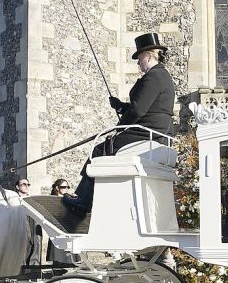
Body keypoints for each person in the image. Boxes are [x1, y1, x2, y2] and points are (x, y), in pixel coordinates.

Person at [63, 32, 176, 214]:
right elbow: (145, 106)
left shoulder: (154, 77)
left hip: (147, 131)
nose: (138, 62)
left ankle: (83, 201)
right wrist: (122, 106)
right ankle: (87, 197)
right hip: (155, 129)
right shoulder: (161, 75)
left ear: (148, 55)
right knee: (105, 147)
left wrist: (119, 128)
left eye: (139, 57)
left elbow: (138, 110)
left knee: (101, 149)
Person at [47, 178, 75, 267]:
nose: (66, 189)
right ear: (57, 188)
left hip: (69, 231)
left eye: (68, 187)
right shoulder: (51, 200)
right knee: (58, 259)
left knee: (70, 259)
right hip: (57, 232)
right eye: (63, 187)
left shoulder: (71, 200)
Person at [15, 177, 43, 266]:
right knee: (22, 249)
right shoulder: (14, 199)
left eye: (28, 184)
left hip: (32, 224)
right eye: (24, 184)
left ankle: (34, 270)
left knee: (35, 246)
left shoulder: (32, 199)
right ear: (17, 187)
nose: (26, 186)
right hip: (21, 226)